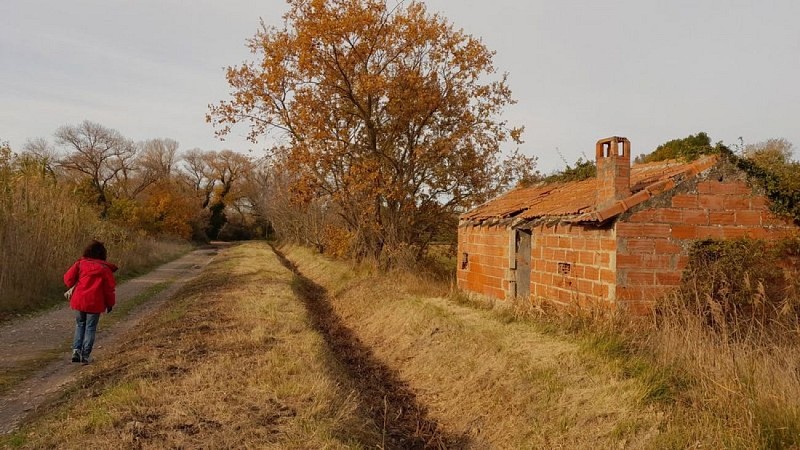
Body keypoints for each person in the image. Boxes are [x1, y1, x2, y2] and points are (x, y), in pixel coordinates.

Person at [63, 240, 118, 364]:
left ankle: (76, 350)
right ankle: (85, 355)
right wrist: (110, 303)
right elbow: (109, 289)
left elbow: (68, 279)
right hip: (95, 302)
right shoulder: (105, 269)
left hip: (79, 300)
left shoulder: (80, 264)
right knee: (90, 328)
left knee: (80, 325)